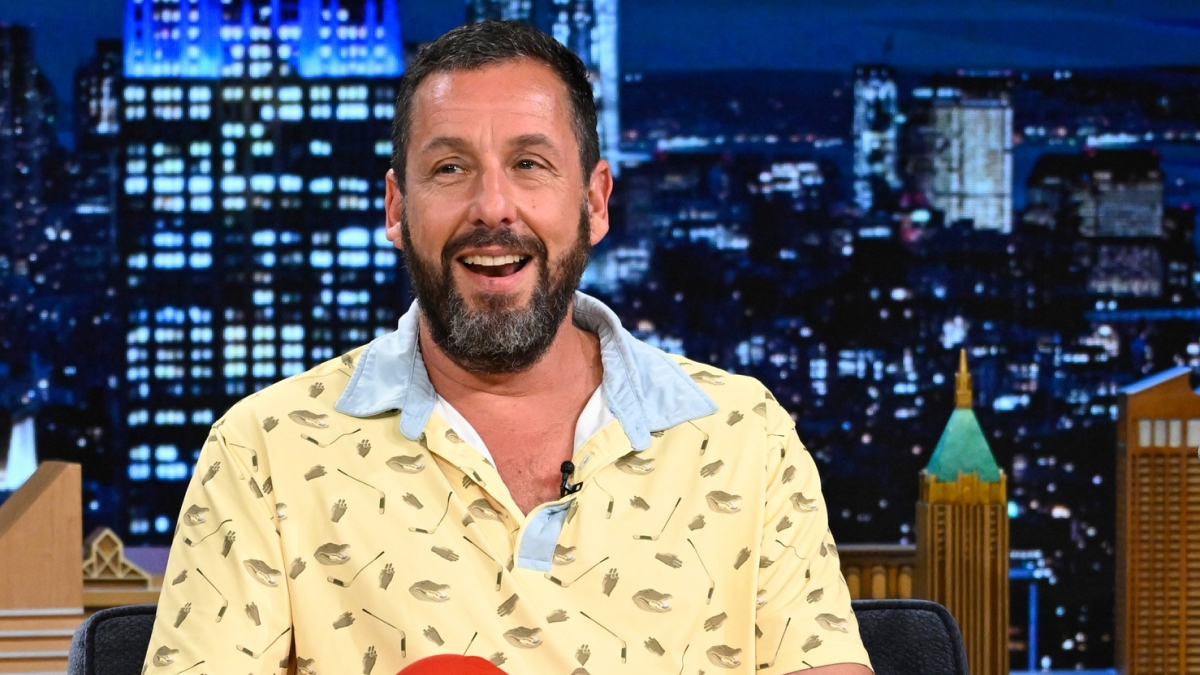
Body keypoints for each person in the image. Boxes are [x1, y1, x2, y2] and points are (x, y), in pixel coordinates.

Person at [141, 20, 873, 675]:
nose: (493, 207)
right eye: (451, 168)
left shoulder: (745, 435)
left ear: (593, 202)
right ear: (398, 209)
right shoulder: (266, 450)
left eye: (529, 164)